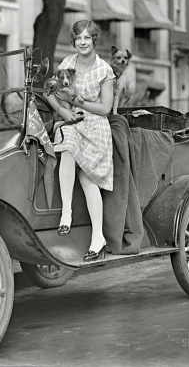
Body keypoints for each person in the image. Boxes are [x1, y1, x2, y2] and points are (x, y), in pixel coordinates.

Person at [44, 20, 115, 262]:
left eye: (87, 38)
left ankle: (98, 237)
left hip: (95, 125)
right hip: (72, 121)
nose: (82, 42)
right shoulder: (67, 64)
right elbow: (49, 92)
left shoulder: (104, 70)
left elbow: (106, 108)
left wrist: (77, 101)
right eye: (78, 38)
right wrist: (62, 111)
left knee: (87, 177)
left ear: (94, 40)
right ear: (73, 41)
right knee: (67, 146)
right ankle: (66, 213)